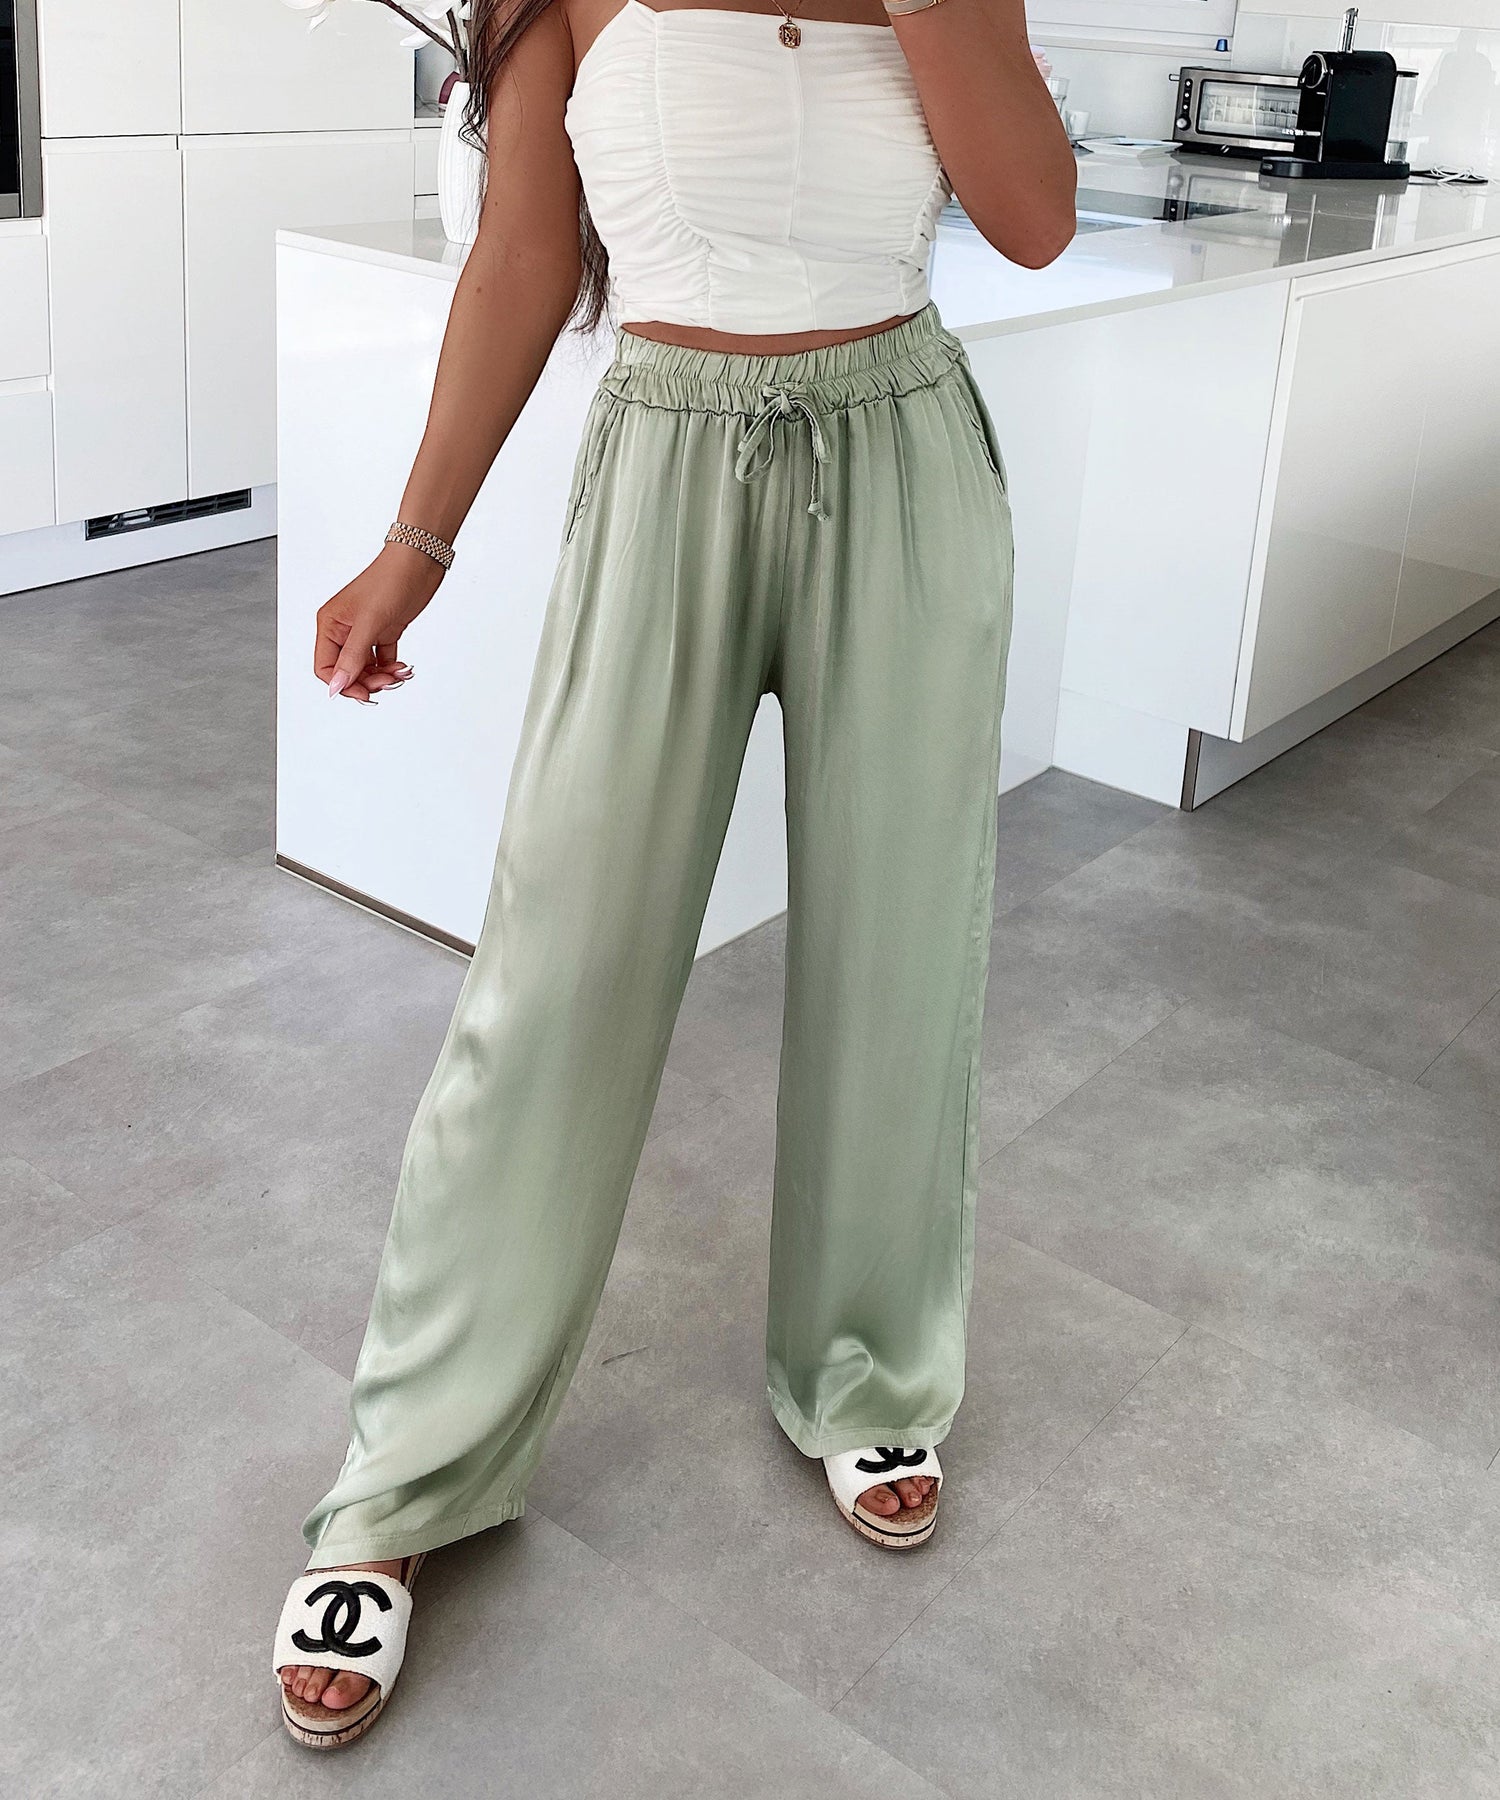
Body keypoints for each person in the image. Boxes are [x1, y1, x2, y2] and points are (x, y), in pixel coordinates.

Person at [272, 0, 1075, 1749]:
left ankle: (868, 1362)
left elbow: (1033, 219)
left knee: (900, 947)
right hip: (667, 460)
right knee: (556, 973)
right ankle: (404, 1477)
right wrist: (414, 544)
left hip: (908, 455)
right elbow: (521, 261)